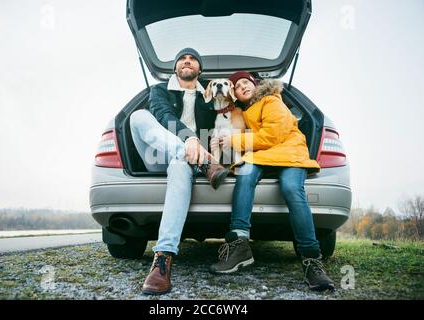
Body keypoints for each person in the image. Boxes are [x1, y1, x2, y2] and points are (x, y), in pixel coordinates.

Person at [209, 71, 335, 291]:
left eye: (246, 82)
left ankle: (311, 259)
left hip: (289, 152)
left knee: (291, 188)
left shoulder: (271, 101)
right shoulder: (242, 113)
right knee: (244, 176)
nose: (243, 86)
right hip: (261, 154)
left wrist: (234, 140)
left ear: (256, 86)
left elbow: (273, 135)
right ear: (234, 94)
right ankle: (239, 246)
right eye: (238, 86)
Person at [129, 48, 229, 295]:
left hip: (185, 161)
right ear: (175, 68)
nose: (187, 61)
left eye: (193, 58)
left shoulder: (208, 95)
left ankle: (162, 259)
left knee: (180, 161)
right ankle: (206, 164)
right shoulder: (160, 90)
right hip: (159, 154)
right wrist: (189, 139)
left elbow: (227, 111)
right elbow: (163, 115)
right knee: (139, 117)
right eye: (182, 58)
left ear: (200, 70)